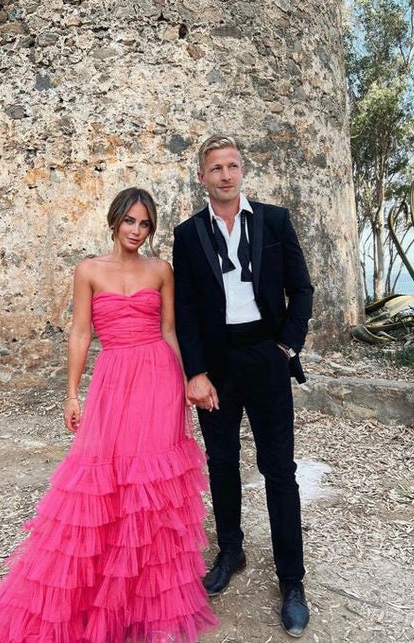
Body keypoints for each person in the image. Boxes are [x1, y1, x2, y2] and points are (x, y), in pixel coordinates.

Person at [0, 187, 217, 643]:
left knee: (151, 486)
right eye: (130, 221)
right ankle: (101, 590)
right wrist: (71, 395)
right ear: (114, 221)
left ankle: (146, 597)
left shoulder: (161, 270)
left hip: (159, 378)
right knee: (101, 479)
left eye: (144, 224)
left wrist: (188, 379)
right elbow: (81, 333)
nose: (136, 231)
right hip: (112, 379)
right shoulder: (88, 270)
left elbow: (169, 330)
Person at [172, 135, 314, 638]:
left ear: (242, 171)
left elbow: (301, 288)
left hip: (266, 355)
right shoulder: (188, 234)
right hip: (217, 365)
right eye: (216, 168)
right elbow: (185, 308)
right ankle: (230, 551)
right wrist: (195, 372)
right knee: (222, 461)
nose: (225, 175)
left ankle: (292, 580)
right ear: (202, 177)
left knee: (279, 469)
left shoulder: (274, 221)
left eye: (232, 166)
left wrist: (287, 346)